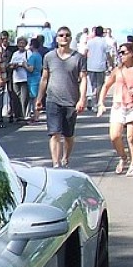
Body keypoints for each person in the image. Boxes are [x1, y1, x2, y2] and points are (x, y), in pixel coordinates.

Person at [35, 26, 87, 168]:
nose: (64, 37)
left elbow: (83, 79)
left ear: (71, 38)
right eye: (61, 35)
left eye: (67, 35)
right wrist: (39, 98)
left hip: (71, 101)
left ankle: (65, 158)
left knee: (68, 135)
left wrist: (82, 99)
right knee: (54, 133)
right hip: (53, 100)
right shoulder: (49, 57)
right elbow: (44, 78)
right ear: (56, 39)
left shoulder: (78, 58)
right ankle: (56, 163)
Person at [98, 41, 133, 177]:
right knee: (114, 136)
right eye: (119, 53)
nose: (120, 55)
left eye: (123, 53)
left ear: (132, 54)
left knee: (131, 137)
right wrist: (101, 103)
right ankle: (123, 157)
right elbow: (106, 86)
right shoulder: (118, 70)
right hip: (118, 106)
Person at [85, 26, 111, 111]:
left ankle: (90, 99)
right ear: (102, 33)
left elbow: (85, 53)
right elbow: (108, 55)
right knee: (99, 86)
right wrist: (111, 64)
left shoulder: (90, 42)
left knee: (91, 84)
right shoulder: (104, 42)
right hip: (100, 66)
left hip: (90, 65)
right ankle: (96, 103)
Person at [24, 35, 45, 122]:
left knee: (34, 98)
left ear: (32, 46)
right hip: (38, 77)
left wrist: (24, 64)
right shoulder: (39, 56)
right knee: (36, 97)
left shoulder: (33, 57)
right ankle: (36, 115)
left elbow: (31, 69)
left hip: (32, 79)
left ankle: (36, 116)